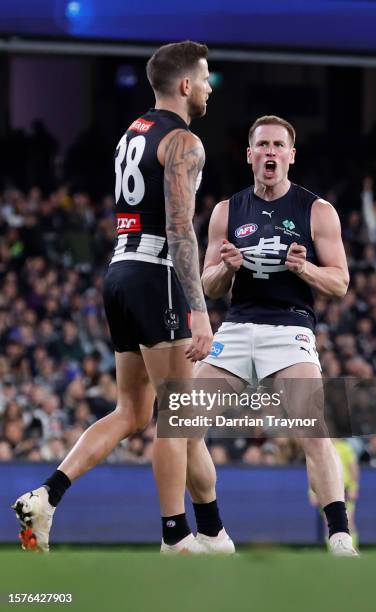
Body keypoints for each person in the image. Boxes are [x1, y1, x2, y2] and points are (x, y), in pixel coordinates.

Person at [12, 41, 234, 555]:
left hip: (120, 272)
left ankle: (48, 495)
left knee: (133, 411)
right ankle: (176, 537)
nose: (207, 87)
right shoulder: (183, 142)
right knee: (178, 415)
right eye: (204, 79)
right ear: (183, 85)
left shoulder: (131, 134)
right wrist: (199, 308)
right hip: (157, 272)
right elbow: (180, 227)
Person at [197, 114, 357, 556]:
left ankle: (340, 536)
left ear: (291, 155)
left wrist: (303, 267)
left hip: (289, 326)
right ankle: (212, 533)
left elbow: (340, 283)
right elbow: (208, 285)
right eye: (262, 145)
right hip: (237, 324)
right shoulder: (227, 211)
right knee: (182, 421)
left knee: (314, 428)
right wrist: (224, 268)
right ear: (249, 155)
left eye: (278, 145)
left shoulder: (316, 210)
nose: (270, 152)